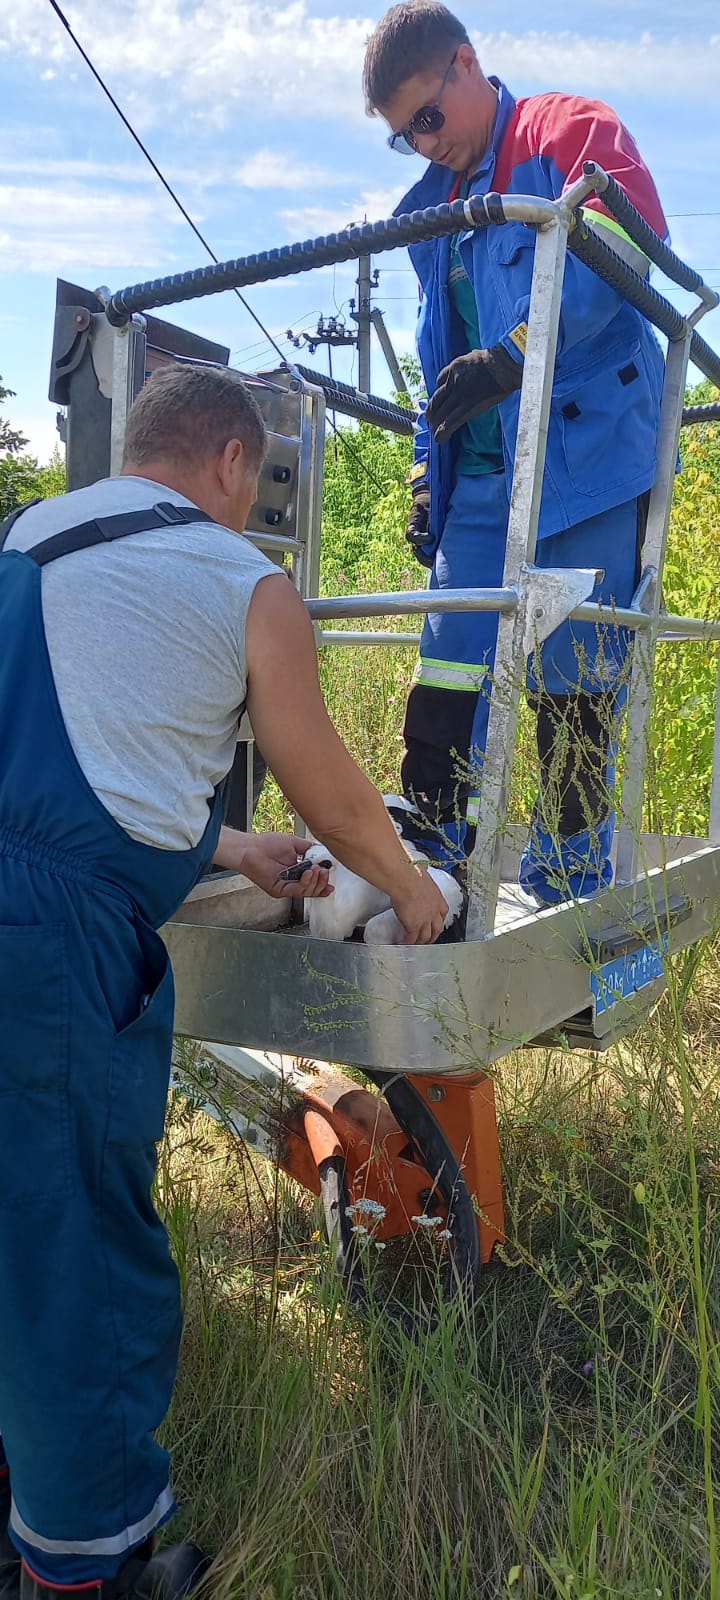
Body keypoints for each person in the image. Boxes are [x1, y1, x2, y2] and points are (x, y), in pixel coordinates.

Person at [0, 362, 448, 1600]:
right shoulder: (241, 576)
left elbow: (69, 751)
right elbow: (329, 786)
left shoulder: (33, 531)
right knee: (72, 1246)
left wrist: (227, 848)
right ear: (236, 464)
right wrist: (409, 888)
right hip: (44, 949)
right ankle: (83, 1569)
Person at [362, 0, 668, 904]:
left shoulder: (566, 130)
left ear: (466, 63)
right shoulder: (430, 209)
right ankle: (432, 866)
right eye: (402, 134)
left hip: (587, 461)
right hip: (483, 480)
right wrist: (428, 471)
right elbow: (439, 367)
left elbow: (629, 245)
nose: (423, 144)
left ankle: (568, 887)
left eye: (427, 116)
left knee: (572, 681)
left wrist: (518, 350)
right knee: (448, 668)